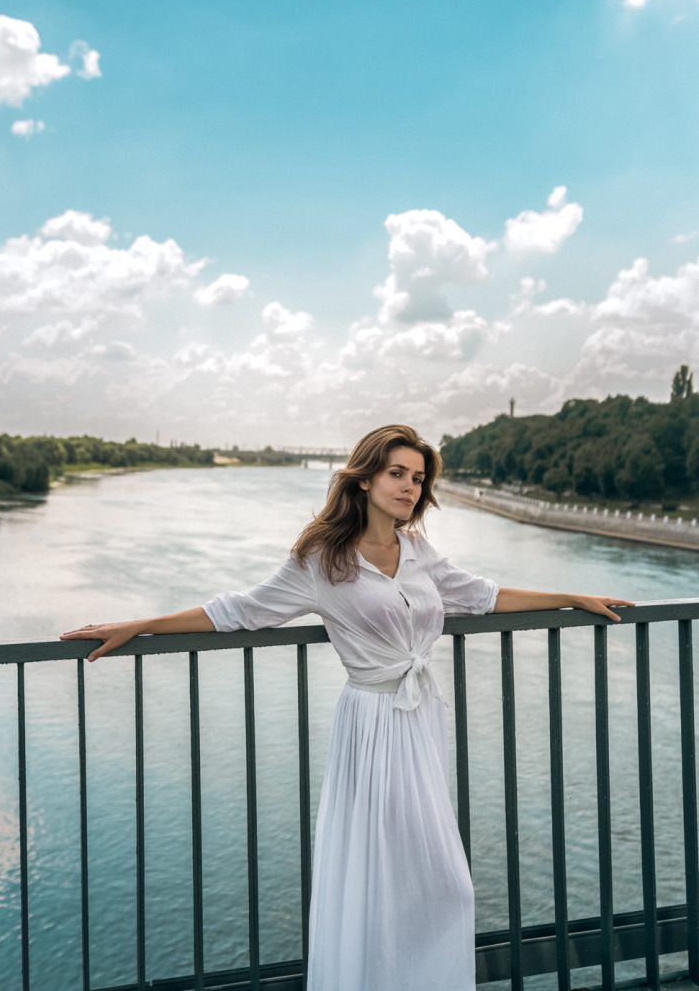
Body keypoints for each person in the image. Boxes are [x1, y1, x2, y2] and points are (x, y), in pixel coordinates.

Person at [60, 424, 633, 991]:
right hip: (372, 722)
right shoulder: (323, 559)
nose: (409, 487)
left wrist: (571, 597)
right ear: (364, 480)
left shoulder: (418, 550)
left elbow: (484, 596)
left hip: (420, 717)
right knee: (377, 874)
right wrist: (141, 625)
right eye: (397, 473)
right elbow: (238, 610)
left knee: (441, 880)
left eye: (418, 478)